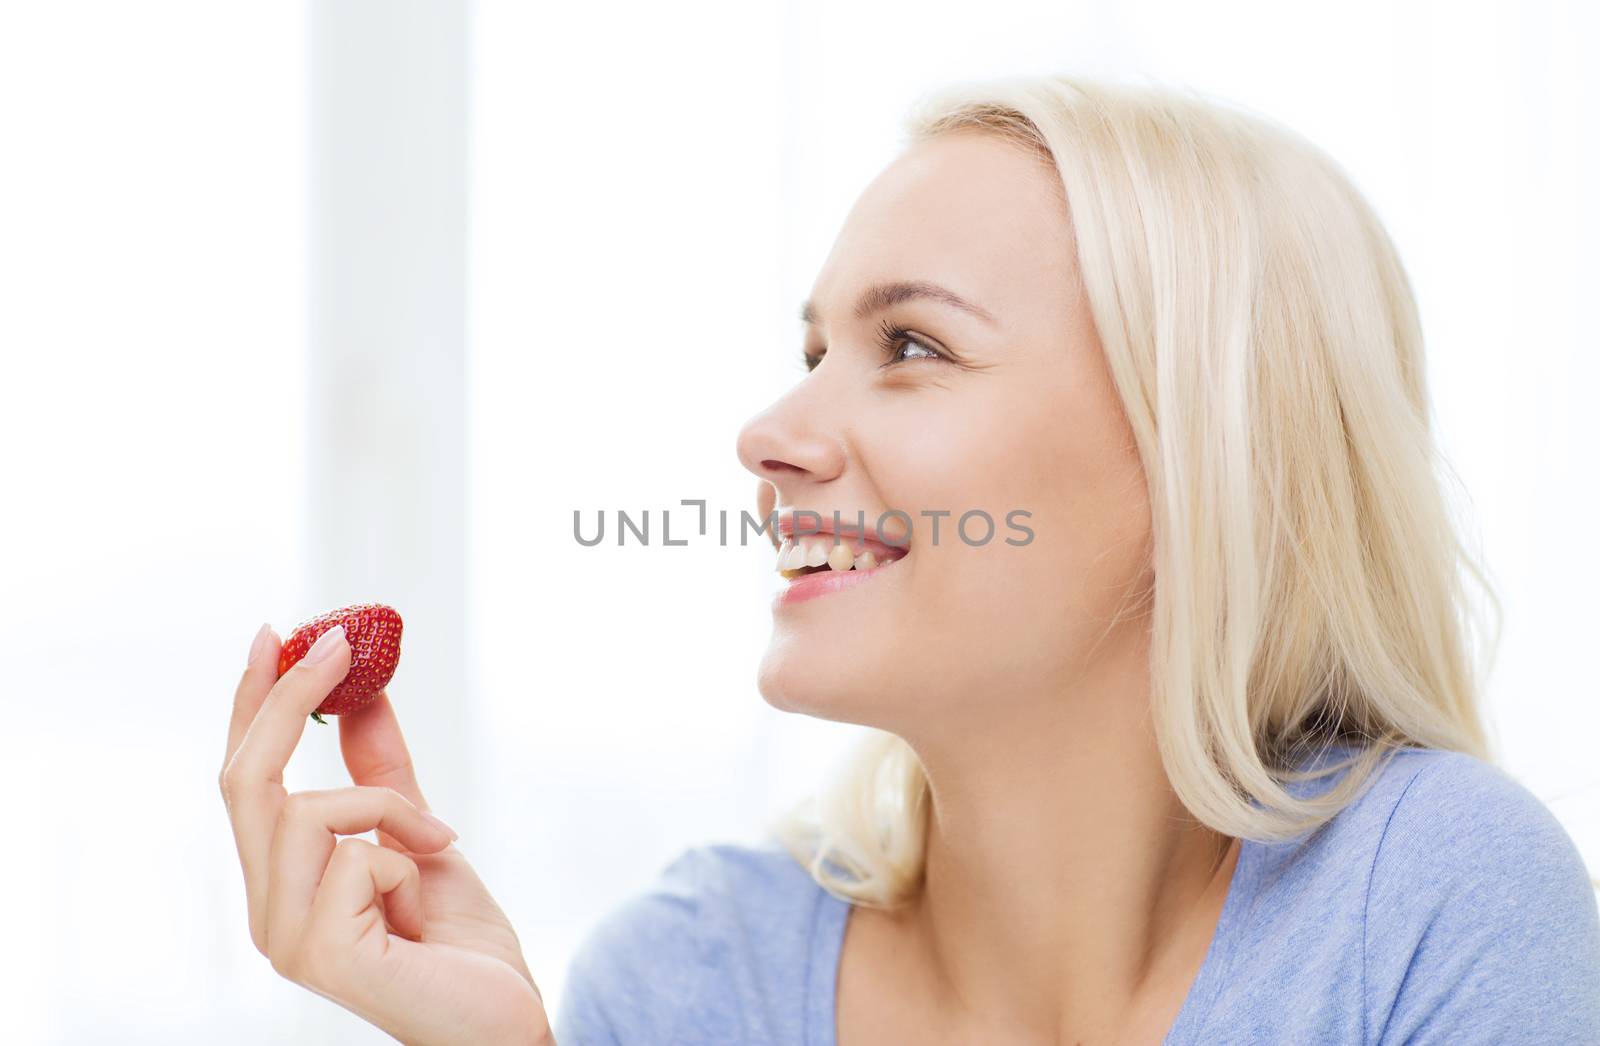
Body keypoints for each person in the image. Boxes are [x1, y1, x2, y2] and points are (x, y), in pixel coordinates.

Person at [219, 73, 1600, 1045]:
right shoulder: (691, 976)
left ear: (1205, 459)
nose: (769, 433)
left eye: (914, 347)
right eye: (815, 349)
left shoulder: (1431, 899)